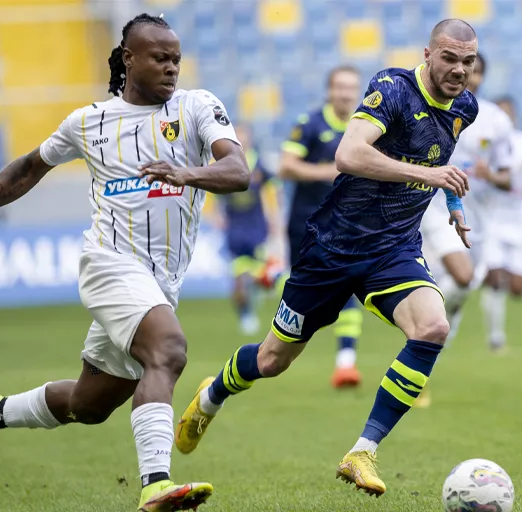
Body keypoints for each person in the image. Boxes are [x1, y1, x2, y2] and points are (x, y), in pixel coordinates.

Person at [0, 14, 249, 512]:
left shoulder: (197, 107)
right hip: (108, 264)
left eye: (176, 59)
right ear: (128, 59)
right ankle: (156, 485)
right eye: (160, 58)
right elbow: (28, 168)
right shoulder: (89, 122)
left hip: (160, 282)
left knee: (90, 404)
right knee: (168, 350)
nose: (171, 68)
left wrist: (186, 173)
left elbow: (238, 171)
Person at [174, 19, 478, 497]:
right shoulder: (393, 89)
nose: (459, 69)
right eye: (450, 58)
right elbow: (349, 155)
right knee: (272, 360)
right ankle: (212, 395)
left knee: (433, 327)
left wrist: (453, 201)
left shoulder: (464, 107)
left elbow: (437, 161)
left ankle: (363, 451)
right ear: (427, 54)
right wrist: (432, 176)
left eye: (468, 61)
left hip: (393, 249)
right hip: (332, 249)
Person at [277, 65, 365, 388]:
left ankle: (346, 362)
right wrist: (327, 172)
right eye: (340, 87)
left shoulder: (364, 127)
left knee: (349, 286)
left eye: (351, 88)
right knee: (303, 296)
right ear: (330, 90)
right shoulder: (310, 124)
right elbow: (285, 166)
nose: (345, 94)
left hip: (344, 224)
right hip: (305, 223)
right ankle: (275, 354)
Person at [419, 53, 513, 351]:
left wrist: (491, 175)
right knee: (463, 275)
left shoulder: (496, 120)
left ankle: (441, 328)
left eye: (476, 71)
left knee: (466, 282)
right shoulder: (432, 108)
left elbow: (507, 178)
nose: (470, 77)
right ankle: (426, 328)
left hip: (478, 214)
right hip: (437, 206)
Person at [477, 96, 522, 351]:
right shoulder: (484, 144)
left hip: (517, 218)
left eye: (508, 112)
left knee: (517, 289)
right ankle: (495, 338)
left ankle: (484, 279)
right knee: (496, 279)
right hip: (491, 216)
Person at [218, 125, 280, 335]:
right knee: (237, 278)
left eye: (244, 136)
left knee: (257, 274)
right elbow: (209, 193)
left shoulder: (259, 165)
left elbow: (271, 191)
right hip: (235, 230)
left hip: (256, 229)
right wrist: (215, 217)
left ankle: (259, 285)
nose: (241, 141)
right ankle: (245, 313)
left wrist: (274, 218)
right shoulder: (223, 164)